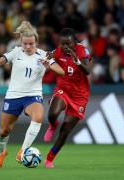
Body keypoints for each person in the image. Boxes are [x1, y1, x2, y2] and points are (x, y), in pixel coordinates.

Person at [0, 21, 65, 168]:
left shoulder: (44, 55)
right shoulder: (16, 52)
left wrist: (49, 66)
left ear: (36, 42)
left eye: (31, 43)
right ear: (21, 42)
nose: (28, 47)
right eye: (25, 43)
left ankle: (23, 151)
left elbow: (61, 71)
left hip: (33, 95)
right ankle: (1, 153)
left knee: (38, 117)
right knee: (4, 131)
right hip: (13, 96)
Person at [43, 28, 92, 168]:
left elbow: (88, 71)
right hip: (63, 89)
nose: (65, 47)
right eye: (62, 44)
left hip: (79, 96)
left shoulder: (82, 51)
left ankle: (49, 159)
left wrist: (77, 61)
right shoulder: (58, 51)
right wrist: (45, 59)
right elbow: (48, 55)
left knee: (65, 131)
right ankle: (52, 125)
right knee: (52, 114)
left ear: (74, 42)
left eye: (68, 44)